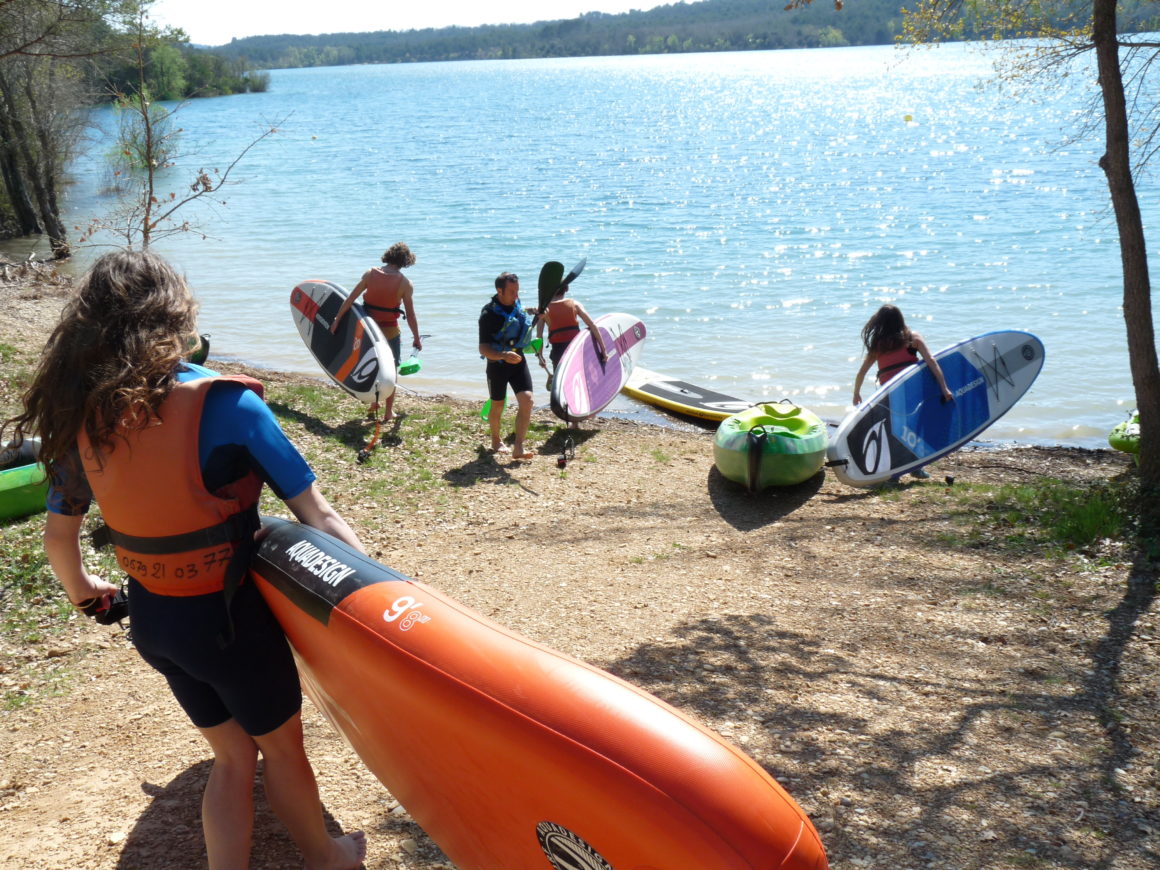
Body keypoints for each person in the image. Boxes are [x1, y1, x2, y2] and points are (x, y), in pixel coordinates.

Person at [1, 251, 367, 870]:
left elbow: (61, 543)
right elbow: (318, 515)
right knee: (281, 752)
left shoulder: (81, 420)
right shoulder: (227, 406)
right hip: (230, 624)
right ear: (176, 315)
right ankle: (327, 856)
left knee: (231, 757)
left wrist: (91, 594)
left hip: (155, 623)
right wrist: (377, 596)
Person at [852, 303, 953, 480]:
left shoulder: (879, 345)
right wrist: (944, 387)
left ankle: (894, 474)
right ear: (900, 320)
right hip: (912, 393)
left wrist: (856, 393)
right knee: (916, 430)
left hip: (889, 395)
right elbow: (931, 362)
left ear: (880, 323)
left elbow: (862, 372)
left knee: (895, 432)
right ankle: (916, 468)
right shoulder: (912, 339)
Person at [331, 241, 421, 422]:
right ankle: (388, 412)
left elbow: (350, 299)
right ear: (406, 261)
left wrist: (336, 320)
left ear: (388, 256)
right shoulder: (405, 283)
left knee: (373, 365)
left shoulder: (370, 274)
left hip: (368, 330)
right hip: (389, 332)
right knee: (391, 370)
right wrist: (416, 338)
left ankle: (374, 403)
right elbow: (410, 315)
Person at [478, 271, 537, 460]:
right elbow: (483, 348)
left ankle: (518, 446)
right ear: (499, 290)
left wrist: (536, 312)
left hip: (518, 361)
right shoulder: (488, 314)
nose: (516, 295)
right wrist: (503, 355)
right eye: (512, 291)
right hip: (497, 365)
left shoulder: (516, 305)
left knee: (527, 400)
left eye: (517, 291)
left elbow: (518, 317)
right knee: (497, 405)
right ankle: (496, 440)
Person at [534, 281, 609, 384]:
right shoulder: (575, 304)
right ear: (566, 289)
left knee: (561, 382)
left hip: (558, 351)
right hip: (576, 348)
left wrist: (540, 356)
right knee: (580, 379)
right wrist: (603, 351)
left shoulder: (543, 309)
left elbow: (539, 336)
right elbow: (592, 326)